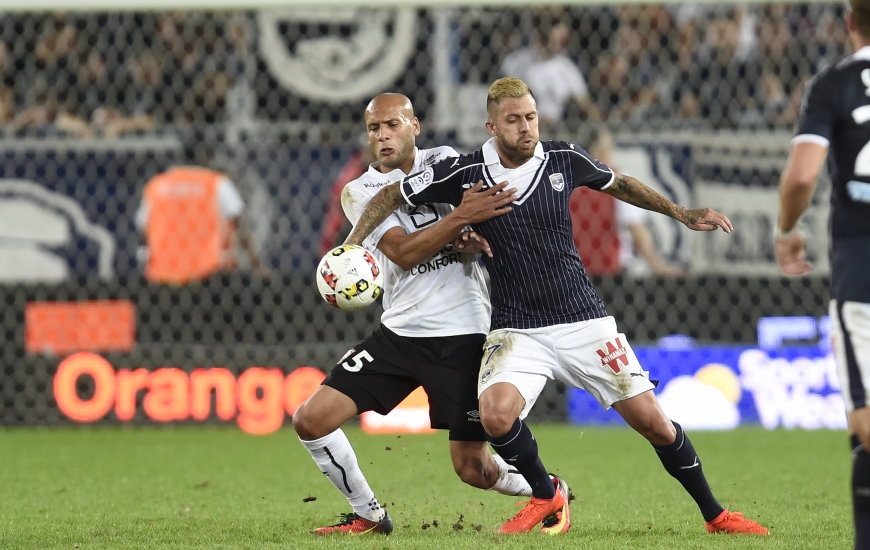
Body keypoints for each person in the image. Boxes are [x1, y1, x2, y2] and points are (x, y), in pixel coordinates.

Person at [343, 77, 769, 536]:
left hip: (583, 319)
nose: (526, 128)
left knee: (655, 424)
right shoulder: (465, 173)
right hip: (516, 328)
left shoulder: (564, 158)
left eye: (530, 118)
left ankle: (716, 515)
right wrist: (350, 247)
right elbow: (389, 195)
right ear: (491, 126)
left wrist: (682, 213)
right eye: (513, 120)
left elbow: (620, 184)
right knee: (494, 415)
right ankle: (547, 495)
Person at [293, 93, 555, 537]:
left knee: (473, 469)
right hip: (399, 333)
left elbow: (478, 220)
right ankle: (369, 515)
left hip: (464, 334)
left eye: (392, 125)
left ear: (415, 125)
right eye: (374, 128)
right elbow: (403, 252)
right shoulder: (360, 192)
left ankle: (548, 489)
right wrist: (460, 222)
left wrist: (469, 232)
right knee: (310, 419)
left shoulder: (447, 160)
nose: (382, 136)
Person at [775, 2, 870, 547]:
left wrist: (788, 227)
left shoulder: (833, 84)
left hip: (862, 269)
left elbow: (801, 176)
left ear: (849, 22)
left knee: (865, 426)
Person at [135, 146, 269, 284]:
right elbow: (239, 222)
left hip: (163, 274)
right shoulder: (216, 182)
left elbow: (143, 227)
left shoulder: (157, 185)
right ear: (206, 157)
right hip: (206, 273)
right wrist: (256, 265)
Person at [571, 128, 686, 278]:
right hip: (611, 270)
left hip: (575, 273)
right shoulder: (615, 180)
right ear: (603, 152)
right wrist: (658, 266)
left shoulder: (569, 181)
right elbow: (636, 228)